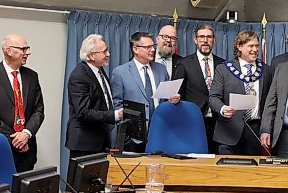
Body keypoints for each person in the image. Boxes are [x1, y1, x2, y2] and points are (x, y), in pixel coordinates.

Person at [0, 34, 44, 172]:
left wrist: (26, 133)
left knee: (25, 191)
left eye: (27, 48)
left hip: (27, 151)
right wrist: (16, 139)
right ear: (8, 51)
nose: (28, 52)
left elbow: (38, 110)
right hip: (0, 148)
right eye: (23, 49)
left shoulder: (32, 76)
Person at [111, 32, 180, 152]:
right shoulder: (120, 72)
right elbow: (117, 105)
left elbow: (166, 99)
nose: (153, 49)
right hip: (132, 138)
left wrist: (173, 99)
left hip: (160, 134)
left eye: (153, 46)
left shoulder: (161, 69)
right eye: (148, 47)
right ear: (135, 49)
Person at [209, 30, 273, 155]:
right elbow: (213, 97)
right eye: (251, 46)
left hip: (254, 131)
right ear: (239, 46)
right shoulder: (223, 69)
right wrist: (222, 108)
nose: (255, 49)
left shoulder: (267, 70)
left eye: (257, 46)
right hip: (228, 132)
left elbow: (270, 102)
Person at [65, 34, 123, 160]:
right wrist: (115, 115)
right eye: (104, 51)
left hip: (99, 140)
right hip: (84, 144)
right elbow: (83, 112)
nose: (108, 54)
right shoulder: (79, 76)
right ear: (91, 56)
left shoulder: (99, 71)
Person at [173, 25, 224, 154]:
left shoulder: (223, 64)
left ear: (214, 40)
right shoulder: (184, 64)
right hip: (193, 122)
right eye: (201, 37)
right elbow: (177, 94)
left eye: (209, 37)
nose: (205, 40)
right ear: (195, 40)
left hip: (219, 124)